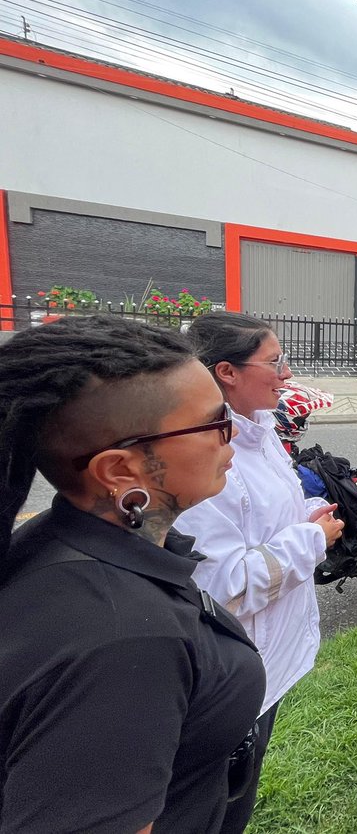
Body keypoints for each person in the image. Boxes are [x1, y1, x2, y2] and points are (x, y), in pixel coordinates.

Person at [0, 315, 265, 833]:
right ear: (120, 471)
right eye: (215, 423)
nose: (231, 434)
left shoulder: (62, 539)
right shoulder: (123, 641)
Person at [174, 312, 344, 832]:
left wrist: (305, 511)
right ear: (226, 371)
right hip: (235, 669)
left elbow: (267, 517)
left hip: (265, 659)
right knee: (217, 807)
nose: (287, 374)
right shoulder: (209, 453)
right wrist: (314, 538)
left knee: (239, 790)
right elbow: (227, 586)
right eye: (274, 362)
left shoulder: (259, 428)